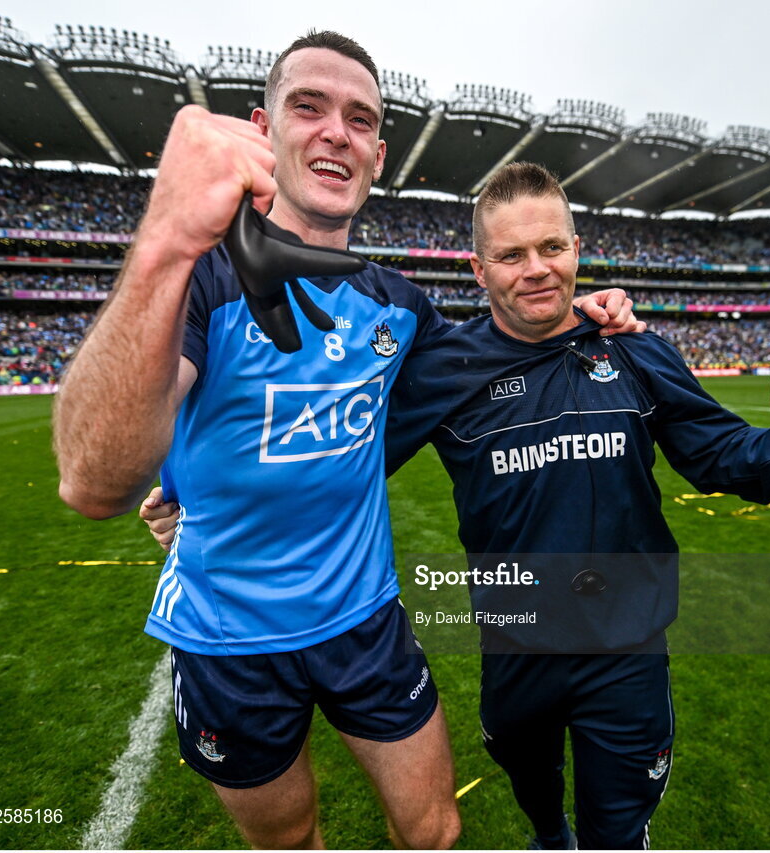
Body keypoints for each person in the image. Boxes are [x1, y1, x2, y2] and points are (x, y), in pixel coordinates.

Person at [144, 163, 770, 849]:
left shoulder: (637, 352)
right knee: (531, 777)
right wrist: (197, 501)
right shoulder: (440, 369)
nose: (538, 268)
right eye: (512, 254)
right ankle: (549, 834)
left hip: (628, 650)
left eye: (552, 246)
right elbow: (331, 456)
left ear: (578, 250)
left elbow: (725, 459)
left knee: (619, 831)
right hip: (516, 641)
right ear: (479, 270)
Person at [53, 32, 638, 850]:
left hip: (365, 622)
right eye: (308, 107)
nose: (337, 132)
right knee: (290, 841)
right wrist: (167, 242)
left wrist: (590, 312)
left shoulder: (399, 307)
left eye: (360, 119)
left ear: (378, 152)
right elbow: (90, 479)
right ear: (264, 129)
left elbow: (504, 343)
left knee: (434, 831)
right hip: (226, 639)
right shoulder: (203, 279)